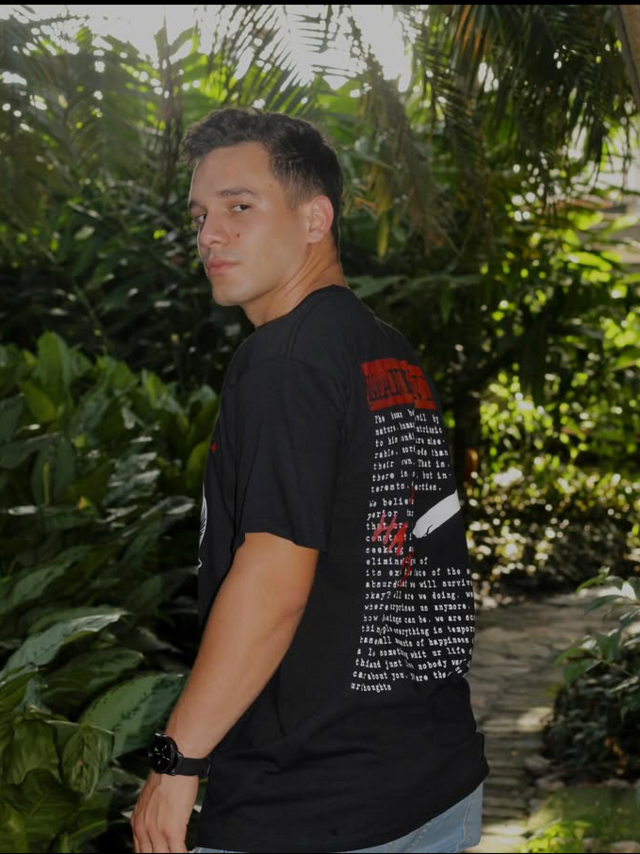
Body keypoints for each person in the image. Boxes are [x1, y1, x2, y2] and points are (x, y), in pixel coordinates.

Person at [130, 106, 489, 854]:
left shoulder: (285, 362)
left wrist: (177, 759)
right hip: (429, 783)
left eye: (239, 206)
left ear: (315, 217)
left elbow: (274, 581)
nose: (209, 234)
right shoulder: (386, 351)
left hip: (310, 803)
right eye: (200, 215)